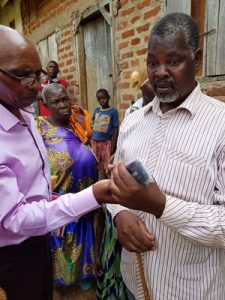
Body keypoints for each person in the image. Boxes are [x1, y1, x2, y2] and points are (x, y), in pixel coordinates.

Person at [107, 13, 225, 300]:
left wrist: (161, 206)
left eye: (173, 61)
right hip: (135, 284)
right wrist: (119, 213)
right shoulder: (133, 122)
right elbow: (115, 179)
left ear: (196, 60)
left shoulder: (220, 126)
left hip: (191, 290)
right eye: (152, 62)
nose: (159, 72)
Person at [0, 25, 120, 300]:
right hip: (12, 257)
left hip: (41, 240)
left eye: (38, 73)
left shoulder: (26, 118)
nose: (36, 83)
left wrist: (54, 196)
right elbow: (14, 218)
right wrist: (92, 195)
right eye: (23, 74)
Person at [36, 83, 98, 291]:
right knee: (60, 260)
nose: (63, 105)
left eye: (65, 99)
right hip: (60, 206)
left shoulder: (79, 123)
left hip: (87, 204)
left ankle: (85, 276)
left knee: (85, 255)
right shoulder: (40, 128)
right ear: (45, 105)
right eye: (56, 101)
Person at [91, 88, 118, 179]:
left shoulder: (113, 112)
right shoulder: (96, 111)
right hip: (95, 141)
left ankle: (109, 183)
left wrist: (113, 146)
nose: (102, 100)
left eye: (104, 98)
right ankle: (95, 183)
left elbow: (115, 129)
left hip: (106, 143)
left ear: (109, 97)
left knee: (107, 165)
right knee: (95, 164)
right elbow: (92, 124)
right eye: (99, 99)